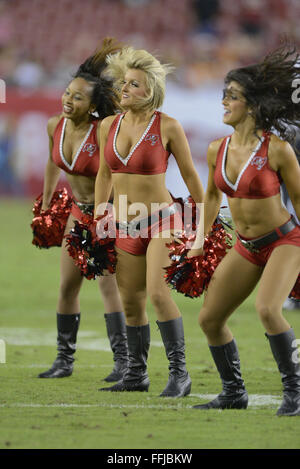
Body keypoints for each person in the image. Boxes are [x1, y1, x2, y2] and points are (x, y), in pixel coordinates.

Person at [189, 44, 300, 416]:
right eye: (223, 94)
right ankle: (234, 392)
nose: (223, 102)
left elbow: (299, 201)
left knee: (269, 309)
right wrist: (199, 239)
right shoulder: (215, 149)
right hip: (247, 246)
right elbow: (208, 197)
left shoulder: (278, 149)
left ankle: (295, 394)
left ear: (251, 105)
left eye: (231, 96)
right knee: (209, 319)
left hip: (286, 240)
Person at [94, 46, 204, 396]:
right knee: (131, 301)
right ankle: (136, 375)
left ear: (150, 92)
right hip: (124, 224)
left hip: (162, 220)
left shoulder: (168, 126)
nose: (124, 89)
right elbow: (103, 174)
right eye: (124, 82)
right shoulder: (108, 125)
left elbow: (191, 177)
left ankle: (180, 374)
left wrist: (203, 221)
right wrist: (100, 207)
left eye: (134, 85)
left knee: (157, 292)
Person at [38, 38, 128, 382]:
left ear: (93, 106)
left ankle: (123, 362)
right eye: (67, 93)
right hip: (77, 212)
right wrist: (47, 198)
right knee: (67, 286)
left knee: (108, 287)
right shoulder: (54, 126)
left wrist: (111, 214)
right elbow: (52, 160)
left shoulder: (103, 130)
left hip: (107, 214)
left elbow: (115, 172)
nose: (68, 100)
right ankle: (64, 360)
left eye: (78, 97)